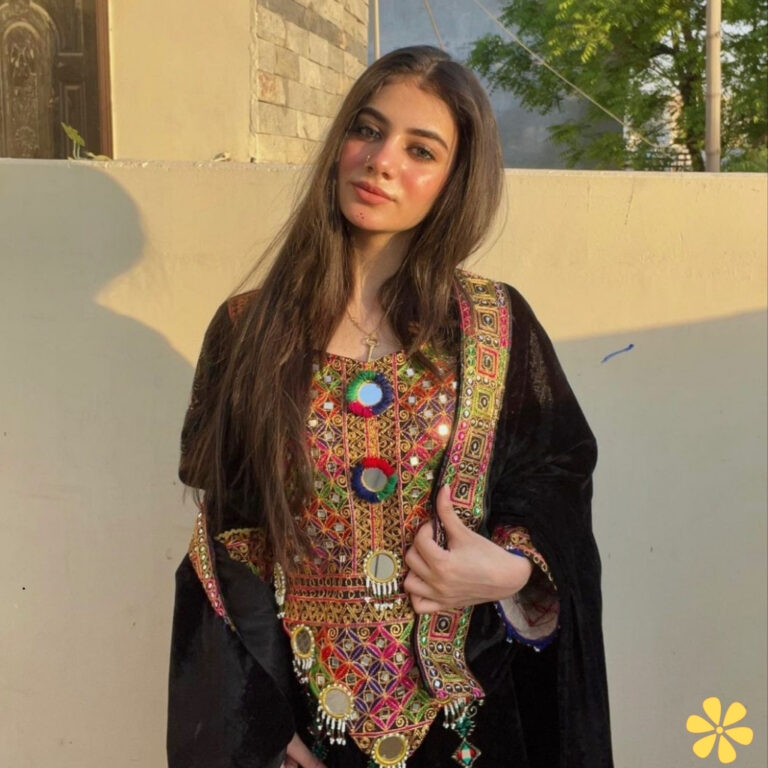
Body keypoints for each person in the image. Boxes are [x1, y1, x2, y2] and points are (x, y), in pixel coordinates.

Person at [167, 46, 613, 768]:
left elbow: (557, 478)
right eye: (368, 131)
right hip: (309, 727)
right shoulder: (250, 329)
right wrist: (261, 722)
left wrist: (512, 571)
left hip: (470, 719)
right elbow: (234, 538)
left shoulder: (495, 325)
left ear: (453, 181)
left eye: (420, 149)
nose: (381, 161)